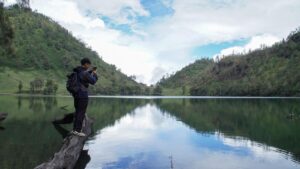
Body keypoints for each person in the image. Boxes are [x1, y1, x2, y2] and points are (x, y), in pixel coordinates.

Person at [71, 58, 98, 137]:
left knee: (77, 112)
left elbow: (83, 77)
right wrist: (95, 74)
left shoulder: (77, 71)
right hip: (82, 95)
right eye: (89, 64)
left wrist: (90, 72)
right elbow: (93, 81)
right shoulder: (85, 73)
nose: (89, 66)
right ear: (86, 64)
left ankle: (74, 130)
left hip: (76, 94)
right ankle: (78, 130)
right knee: (81, 113)